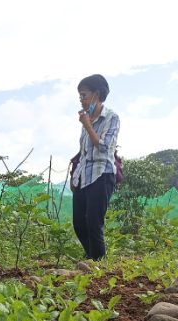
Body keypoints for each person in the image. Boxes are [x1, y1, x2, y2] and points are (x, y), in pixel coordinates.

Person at [71, 74, 120, 261]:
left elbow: (104, 147)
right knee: (79, 224)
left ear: (96, 94)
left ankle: (99, 266)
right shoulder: (87, 119)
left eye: (83, 95)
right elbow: (83, 152)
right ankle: (94, 261)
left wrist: (88, 126)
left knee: (94, 223)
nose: (81, 100)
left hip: (102, 174)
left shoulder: (111, 117)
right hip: (83, 176)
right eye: (80, 96)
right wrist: (74, 175)